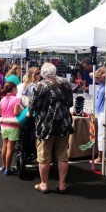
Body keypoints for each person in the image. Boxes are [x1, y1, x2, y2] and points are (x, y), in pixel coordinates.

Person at [29, 62, 73, 194]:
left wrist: (29, 114)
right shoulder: (66, 83)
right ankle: (62, 184)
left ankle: (44, 184)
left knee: (44, 156)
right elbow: (70, 103)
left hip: (45, 126)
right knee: (62, 156)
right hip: (63, 124)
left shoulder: (40, 86)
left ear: (43, 73)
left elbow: (32, 107)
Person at [0, 81, 22, 175]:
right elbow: (16, 113)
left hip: (3, 125)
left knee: (4, 146)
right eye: (16, 89)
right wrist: (21, 110)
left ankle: (4, 165)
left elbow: (0, 113)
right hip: (13, 125)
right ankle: (8, 169)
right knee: (10, 148)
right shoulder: (16, 100)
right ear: (13, 89)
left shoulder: (2, 100)